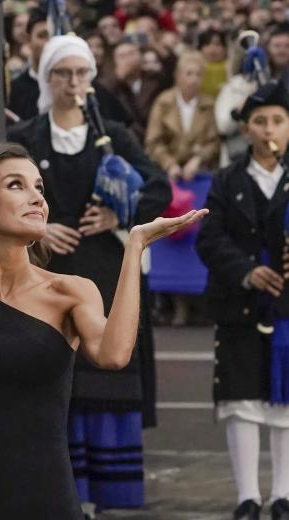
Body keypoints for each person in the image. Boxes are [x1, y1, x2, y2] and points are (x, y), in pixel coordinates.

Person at [0, 142, 204, 520]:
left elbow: (114, 354)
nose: (36, 197)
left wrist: (134, 247)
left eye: (39, 187)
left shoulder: (70, 291)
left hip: (47, 500)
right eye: (16, 185)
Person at [7, 34, 171, 512]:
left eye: (81, 73)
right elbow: (0, 193)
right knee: (58, 384)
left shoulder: (113, 135)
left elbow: (158, 188)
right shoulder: (28, 138)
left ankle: (101, 499)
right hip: (48, 276)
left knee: (105, 376)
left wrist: (119, 216)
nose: (73, 82)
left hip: (103, 273)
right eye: (63, 73)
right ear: (47, 78)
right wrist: (38, 229)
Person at [196, 81, 289, 520]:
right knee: (242, 401)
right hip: (240, 306)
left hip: (287, 311)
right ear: (246, 129)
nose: (269, 128)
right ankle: (247, 497)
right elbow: (209, 240)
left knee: (285, 401)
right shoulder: (226, 180)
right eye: (260, 121)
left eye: (278, 120)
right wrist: (247, 272)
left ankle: (283, 494)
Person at [145, 51, 220, 182]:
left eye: (198, 75)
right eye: (189, 74)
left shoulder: (209, 104)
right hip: (166, 173)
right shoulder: (163, 102)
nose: (194, 79)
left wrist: (198, 159)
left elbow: (213, 142)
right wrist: (169, 164)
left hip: (199, 173)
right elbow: (153, 142)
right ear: (178, 76)